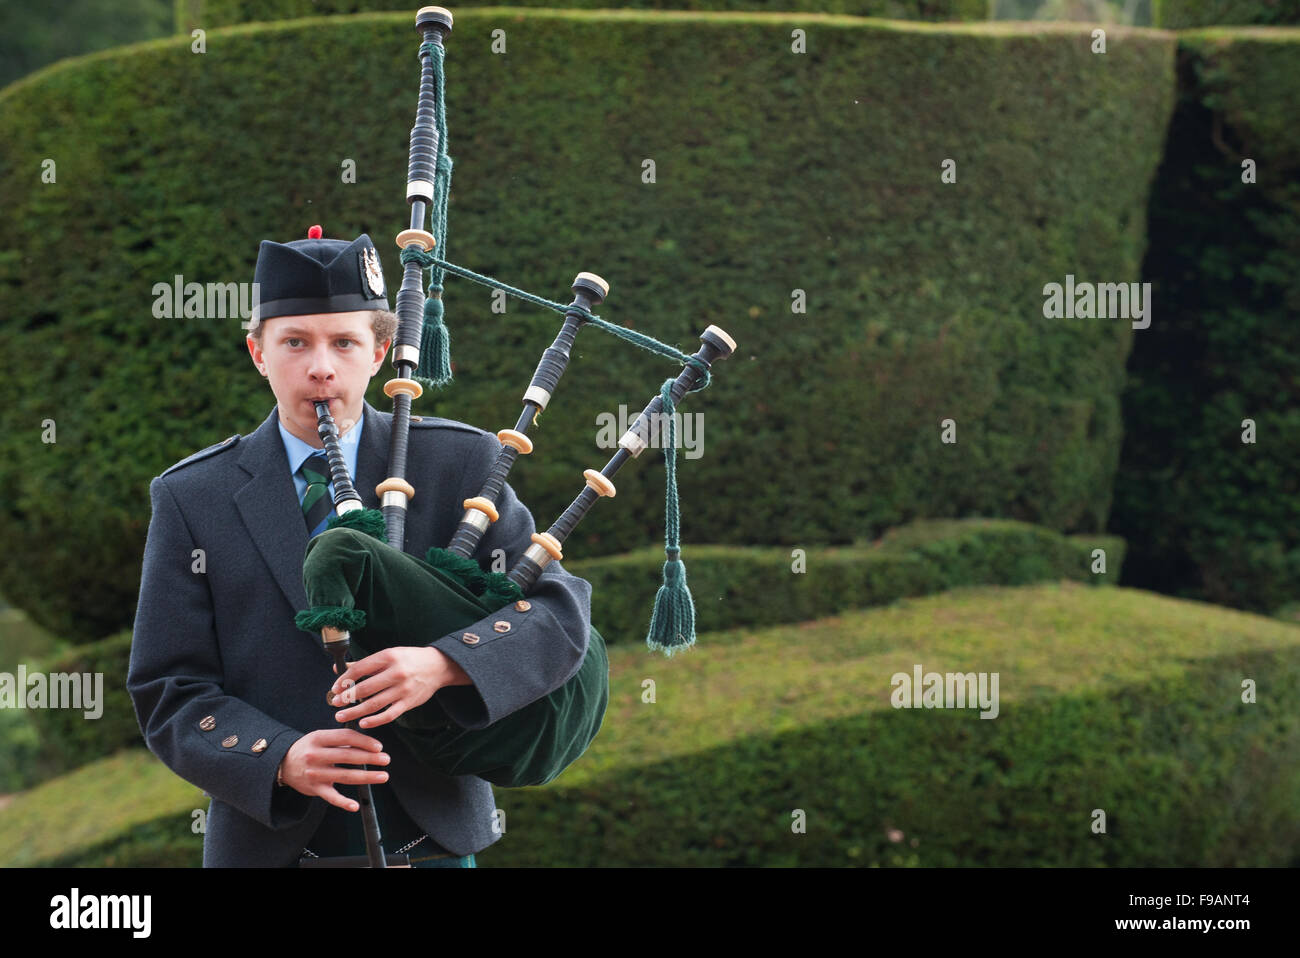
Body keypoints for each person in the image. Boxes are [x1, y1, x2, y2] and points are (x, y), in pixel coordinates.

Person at [127, 230, 592, 867]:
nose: (321, 366)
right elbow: (168, 686)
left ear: (379, 352)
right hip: (271, 848)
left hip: (435, 841)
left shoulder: (459, 463)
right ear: (257, 352)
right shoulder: (193, 496)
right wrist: (277, 756)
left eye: (344, 342)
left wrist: (446, 664)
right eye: (295, 342)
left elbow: (556, 613)